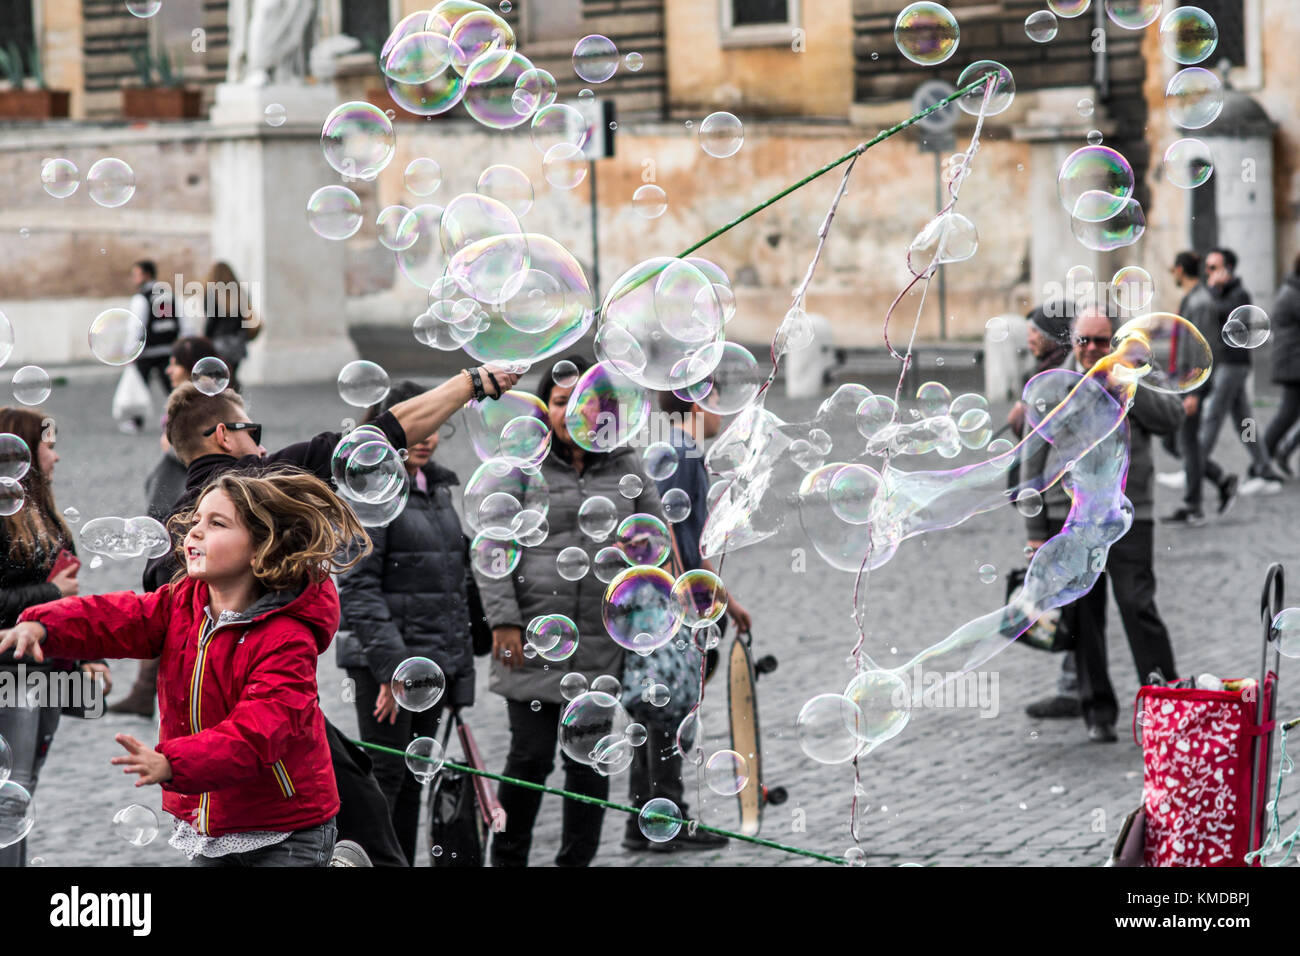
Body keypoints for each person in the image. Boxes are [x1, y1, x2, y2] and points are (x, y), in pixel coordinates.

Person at [138, 362, 518, 866]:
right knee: (365, 818)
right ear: (224, 436)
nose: (263, 444)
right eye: (253, 430)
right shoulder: (267, 485)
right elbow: (387, 432)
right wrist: (472, 383)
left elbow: (149, 599)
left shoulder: (177, 525)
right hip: (271, 710)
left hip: (208, 727)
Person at [1, 471, 368, 866]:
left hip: (286, 827)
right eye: (195, 521)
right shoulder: (181, 603)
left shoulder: (286, 637)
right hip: (211, 824)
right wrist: (45, 623)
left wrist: (174, 763)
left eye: (216, 524)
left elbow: (260, 730)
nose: (193, 533)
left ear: (261, 547)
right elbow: (116, 616)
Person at [474, 355, 670, 867]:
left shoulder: (627, 464)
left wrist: (648, 612)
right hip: (531, 636)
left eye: (582, 402)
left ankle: (574, 863)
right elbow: (492, 548)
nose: (570, 412)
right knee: (530, 759)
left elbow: (656, 542)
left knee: (588, 766)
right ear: (545, 408)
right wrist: (505, 621)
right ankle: (508, 858)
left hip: (601, 640)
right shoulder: (523, 465)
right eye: (561, 402)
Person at [1022, 308, 1182, 742]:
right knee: (1084, 614)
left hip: (1132, 510)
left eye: (1102, 341)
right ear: (1072, 342)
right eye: (1085, 341)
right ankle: (1098, 712)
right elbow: (1031, 457)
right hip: (1068, 511)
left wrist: (1128, 382)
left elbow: (1173, 420)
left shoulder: (1136, 371)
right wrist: (1034, 529)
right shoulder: (1054, 383)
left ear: (1115, 341)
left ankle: (1167, 705)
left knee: (1137, 605)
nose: (1093, 348)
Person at [336, 380, 474, 865]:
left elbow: (451, 586)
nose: (426, 436)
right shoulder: (371, 492)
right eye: (417, 425)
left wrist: (458, 671)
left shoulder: (436, 488)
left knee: (415, 778)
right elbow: (357, 587)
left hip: (430, 667)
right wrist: (394, 669)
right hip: (386, 668)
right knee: (383, 785)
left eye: (434, 425)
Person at [620, 391, 753, 853]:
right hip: (672, 602)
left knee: (651, 706)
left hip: (654, 597)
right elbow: (681, 537)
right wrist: (701, 602)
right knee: (669, 708)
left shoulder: (666, 447)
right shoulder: (686, 452)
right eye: (718, 400)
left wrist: (726, 601)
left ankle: (643, 820)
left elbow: (682, 534)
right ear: (698, 405)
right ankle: (667, 816)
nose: (723, 412)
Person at [0, 408, 100, 867]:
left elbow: (71, 600)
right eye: (49, 446)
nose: (56, 457)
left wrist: (88, 656)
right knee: (11, 794)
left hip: (50, 669)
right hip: (12, 673)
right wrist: (51, 591)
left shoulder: (45, 515)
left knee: (25, 789)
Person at [110, 337, 227, 717]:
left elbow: (180, 449)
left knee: (173, 586)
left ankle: (152, 691)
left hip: (183, 497)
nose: (169, 368)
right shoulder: (190, 400)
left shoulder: (201, 406)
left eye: (176, 362)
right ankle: (148, 691)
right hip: (174, 498)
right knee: (167, 587)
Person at [1199, 248, 1283, 496]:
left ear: (1228, 270)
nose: (1209, 273)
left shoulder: (1238, 294)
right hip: (1228, 363)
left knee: (1213, 415)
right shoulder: (1225, 293)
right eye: (1208, 268)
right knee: (1244, 421)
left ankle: (1195, 465)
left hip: (1233, 365)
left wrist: (1213, 290)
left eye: (1214, 268)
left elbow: (1218, 313)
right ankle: (1264, 467)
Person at [1162, 251, 1235, 526]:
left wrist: (1194, 392)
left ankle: (1194, 506)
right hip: (1181, 382)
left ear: (1181, 270)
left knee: (1187, 443)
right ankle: (1220, 479)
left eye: (1174, 271)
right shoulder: (1193, 299)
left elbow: (1205, 349)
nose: (1174, 276)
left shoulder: (1201, 303)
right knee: (1174, 441)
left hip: (1191, 385)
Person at [128, 260, 180, 416]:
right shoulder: (169, 294)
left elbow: (136, 326)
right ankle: (181, 415)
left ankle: (136, 420)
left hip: (147, 351)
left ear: (147, 275)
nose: (134, 279)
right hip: (168, 349)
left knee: (139, 388)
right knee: (172, 387)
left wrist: (130, 351)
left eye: (136, 275)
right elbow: (182, 321)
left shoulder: (141, 298)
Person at [1264, 253, 1300, 475]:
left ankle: (1280, 452)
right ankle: (1263, 460)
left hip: (1292, 360)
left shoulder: (1292, 288)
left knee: (1288, 413)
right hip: (1292, 362)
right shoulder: (1294, 293)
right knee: (1287, 414)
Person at [203, 262, 255, 390]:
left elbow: (211, 321)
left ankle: (229, 401)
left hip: (219, 342)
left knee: (221, 377)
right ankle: (235, 397)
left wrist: (205, 339)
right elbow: (245, 318)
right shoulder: (240, 292)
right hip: (237, 342)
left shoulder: (212, 293)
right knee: (232, 375)